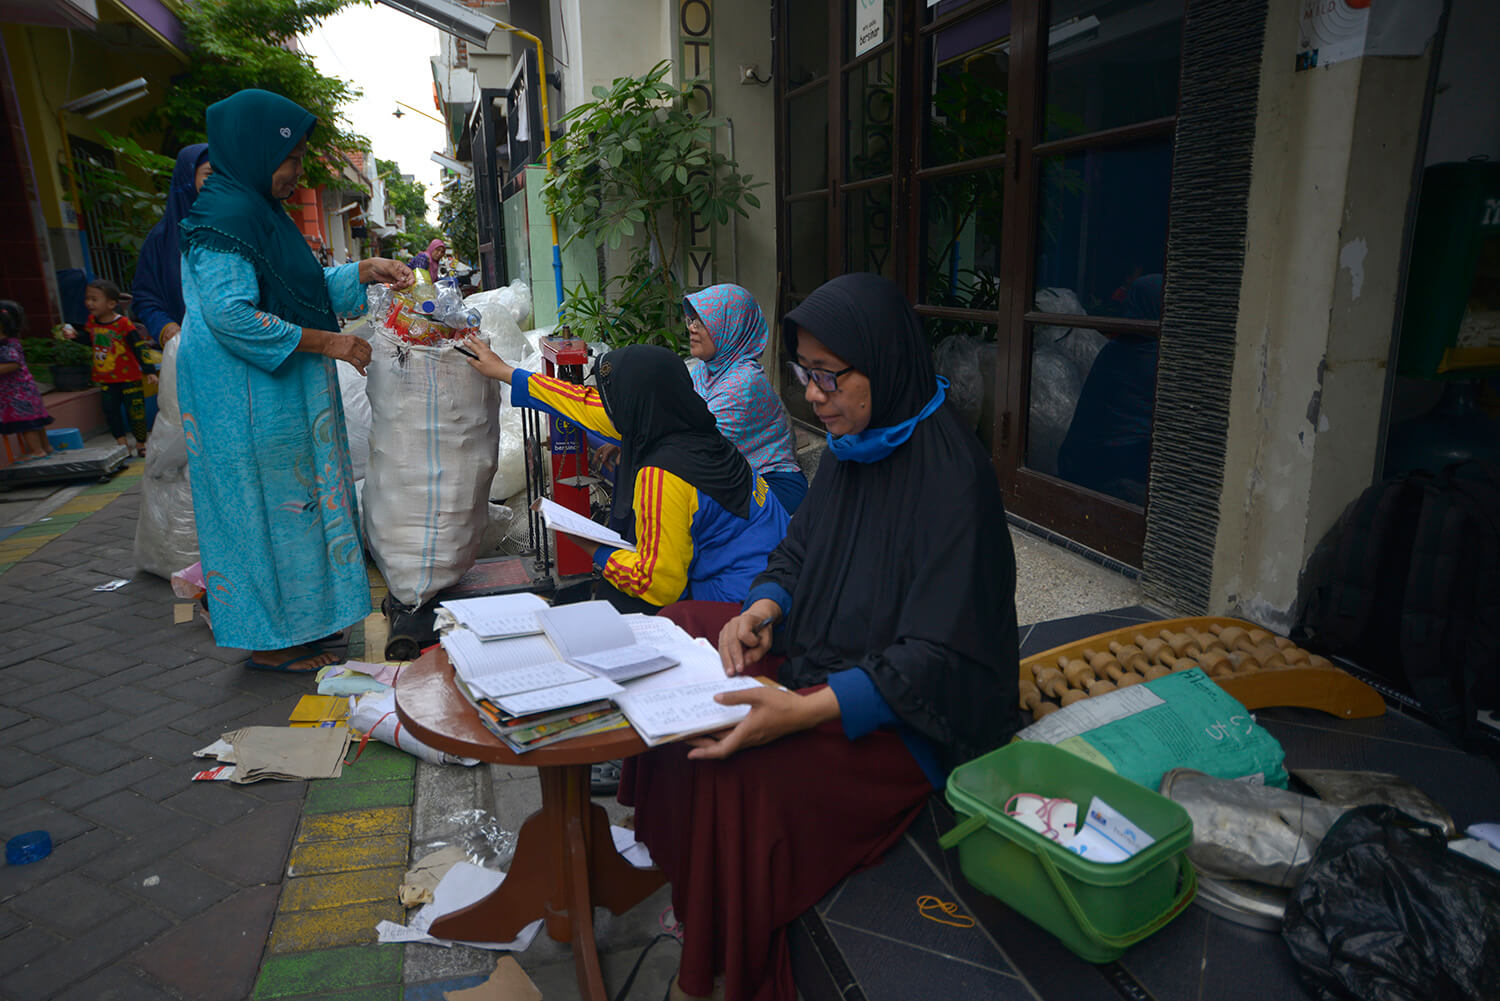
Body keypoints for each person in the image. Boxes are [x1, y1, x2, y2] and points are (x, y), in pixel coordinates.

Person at [619, 273, 1021, 1001]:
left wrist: (801, 711)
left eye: (829, 376)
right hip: (821, 649)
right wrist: (762, 610)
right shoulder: (851, 446)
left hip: (908, 715)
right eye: (804, 373)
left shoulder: (951, 480)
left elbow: (936, 658)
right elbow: (799, 551)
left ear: (884, 363)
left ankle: (720, 951)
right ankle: (684, 867)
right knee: (675, 629)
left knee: (739, 762)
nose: (813, 394)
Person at [176, 88, 414, 674]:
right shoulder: (224, 221)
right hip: (244, 401)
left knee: (294, 509)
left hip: (276, 396)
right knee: (259, 515)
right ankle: (268, 641)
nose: (297, 171)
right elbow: (231, 313)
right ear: (257, 151)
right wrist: (332, 343)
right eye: (291, 158)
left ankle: (300, 627)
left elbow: (294, 291)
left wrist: (361, 270)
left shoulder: (260, 214)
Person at [462, 338, 790, 612]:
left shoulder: (662, 475)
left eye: (612, 397)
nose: (606, 405)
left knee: (617, 596)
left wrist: (595, 550)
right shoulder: (689, 426)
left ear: (631, 405)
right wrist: (506, 372)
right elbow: (581, 404)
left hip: (741, 605)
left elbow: (660, 585)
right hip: (780, 578)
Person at [685, 285, 808, 513]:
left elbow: (698, 447)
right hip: (735, 475)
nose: (692, 328)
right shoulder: (706, 370)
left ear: (729, 327)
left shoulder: (742, 383)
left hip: (772, 485)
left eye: (701, 322)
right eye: (691, 320)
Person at [131, 143, 211, 348]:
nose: (216, 183)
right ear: (187, 178)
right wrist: (167, 328)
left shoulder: (237, 230)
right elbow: (145, 297)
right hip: (187, 349)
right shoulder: (162, 238)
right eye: (209, 174)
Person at [72, 279, 157, 457]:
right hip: (106, 378)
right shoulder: (92, 322)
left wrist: (148, 370)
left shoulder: (124, 324)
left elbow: (138, 346)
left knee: (135, 410)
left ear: (111, 304)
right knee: (110, 411)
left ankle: (141, 443)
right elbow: (89, 340)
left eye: (95, 299)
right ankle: (121, 444)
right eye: (88, 299)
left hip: (129, 377)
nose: (89, 303)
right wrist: (75, 336)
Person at [0, 300, 54, 461]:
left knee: (26, 423)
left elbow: (13, 364)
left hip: (17, 393)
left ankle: (37, 450)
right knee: (35, 421)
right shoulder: (12, 342)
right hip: (24, 390)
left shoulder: (5, 345)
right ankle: (45, 446)